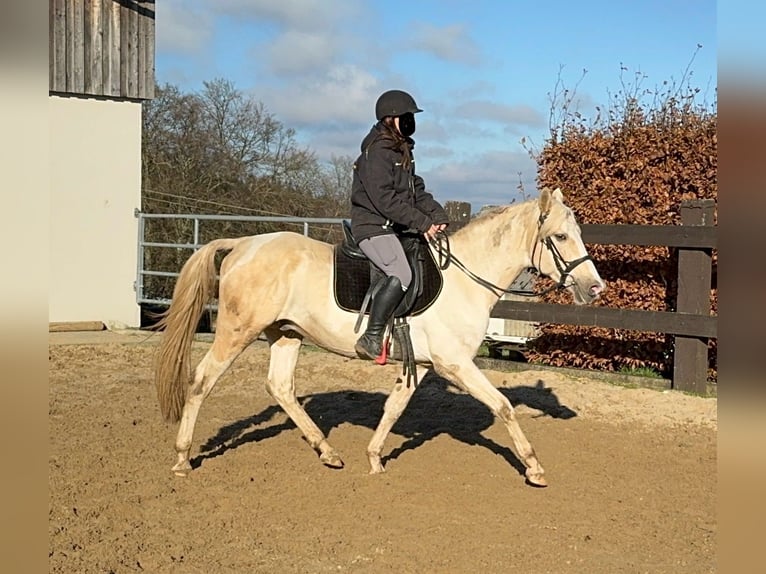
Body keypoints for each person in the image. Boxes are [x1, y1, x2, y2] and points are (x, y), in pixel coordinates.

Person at [350, 89, 449, 361]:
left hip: (391, 226)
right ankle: (372, 336)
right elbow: (385, 200)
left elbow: (414, 190)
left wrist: (437, 215)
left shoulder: (401, 150)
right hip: (372, 226)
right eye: (406, 117)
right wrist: (422, 223)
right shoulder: (378, 152)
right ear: (390, 119)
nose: (410, 122)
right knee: (402, 274)